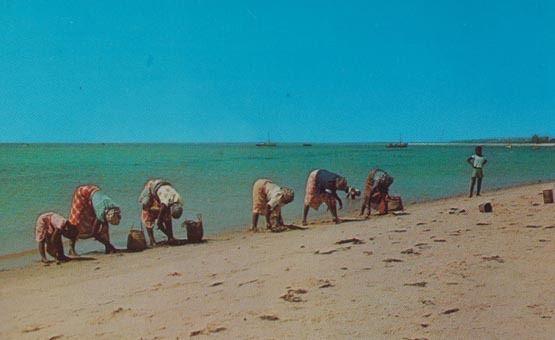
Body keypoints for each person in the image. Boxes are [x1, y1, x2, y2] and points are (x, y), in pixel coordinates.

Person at [67, 185, 122, 255]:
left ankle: (108, 247)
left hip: (93, 194)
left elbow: (104, 227)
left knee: (100, 227)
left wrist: (105, 240)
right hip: (82, 194)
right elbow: (94, 231)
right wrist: (92, 233)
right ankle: (71, 249)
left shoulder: (113, 208)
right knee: (76, 222)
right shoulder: (101, 210)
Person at [139, 179, 184, 246]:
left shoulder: (178, 200)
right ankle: (152, 240)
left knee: (166, 215)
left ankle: (170, 237)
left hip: (160, 191)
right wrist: (159, 222)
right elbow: (163, 209)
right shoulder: (165, 202)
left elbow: (165, 208)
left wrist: (160, 223)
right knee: (148, 213)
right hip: (151, 188)